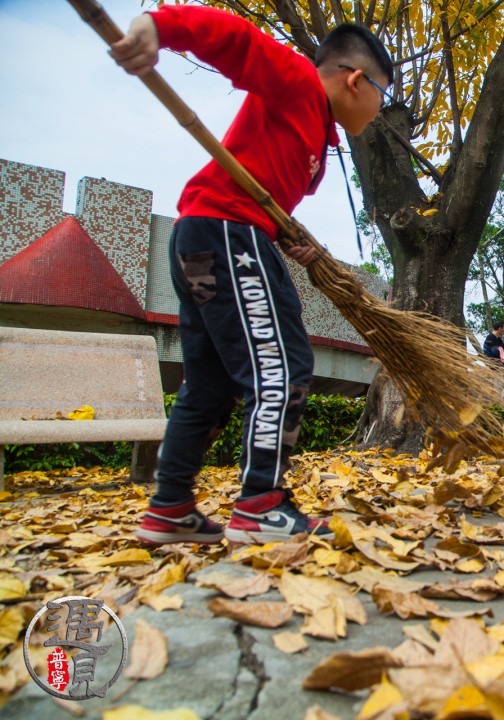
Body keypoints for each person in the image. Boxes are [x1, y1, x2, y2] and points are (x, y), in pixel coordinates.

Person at [113, 5, 394, 546]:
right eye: (384, 95)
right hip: (224, 234)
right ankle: (261, 505)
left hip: (207, 238)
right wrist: (160, 27)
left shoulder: (316, 131)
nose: (381, 111)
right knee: (282, 366)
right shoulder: (297, 84)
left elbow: (266, 181)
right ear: (356, 79)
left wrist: (292, 234)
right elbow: (238, 41)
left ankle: (170, 507)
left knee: (212, 383)